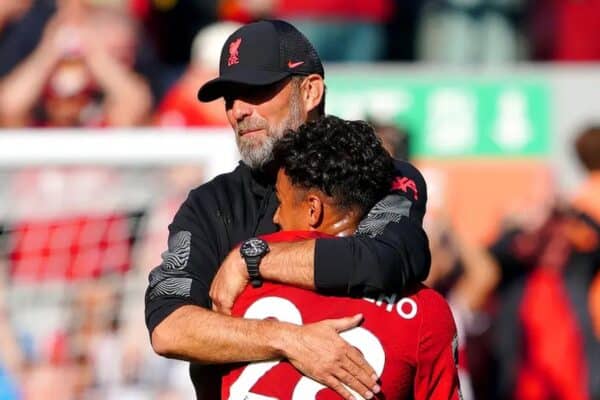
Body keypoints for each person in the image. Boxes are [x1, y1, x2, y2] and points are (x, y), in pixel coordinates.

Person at [145, 20, 430, 400]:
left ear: (310, 91)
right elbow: (169, 327)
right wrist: (287, 339)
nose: (238, 111)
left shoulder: (381, 177)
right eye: (230, 97)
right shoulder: (212, 203)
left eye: (256, 90)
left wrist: (252, 259)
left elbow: (388, 259)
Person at [221, 115, 461, 399]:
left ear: (314, 209)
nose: (275, 217)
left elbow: (183, 345)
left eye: (281, 202)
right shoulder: (425, 312)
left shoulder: (236, 281)